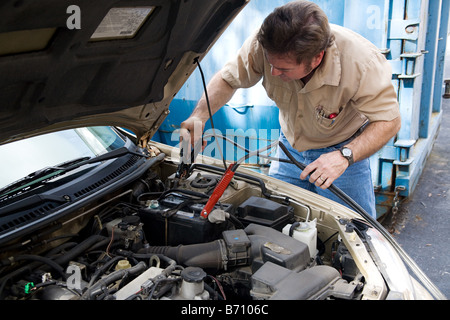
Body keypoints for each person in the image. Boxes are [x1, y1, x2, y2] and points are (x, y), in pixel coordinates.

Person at [180, 0, 401, 218]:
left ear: (317, 58)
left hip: (343, 155)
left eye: (283, 68)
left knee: (357, 234)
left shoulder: (361, 62)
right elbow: (229, 79)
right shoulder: (265, 43)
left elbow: (389, 121)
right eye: (270, 64)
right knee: (273, 221)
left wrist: (344, 156)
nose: (273, 73)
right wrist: (198, 117)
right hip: (289, 150)